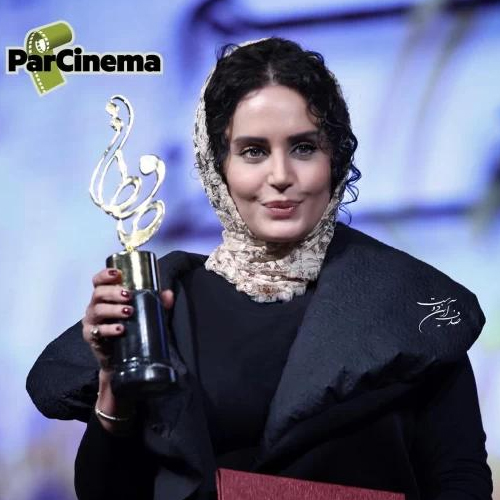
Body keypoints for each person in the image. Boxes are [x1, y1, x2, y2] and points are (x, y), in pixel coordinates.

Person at [27, 37, 492, 500]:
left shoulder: (409, 302)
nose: (281, 175)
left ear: (336, 159)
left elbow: (460, 479)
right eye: (253, 151)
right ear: (218, 166)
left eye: (304, 147)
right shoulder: (166, 306)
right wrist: (113, 383)